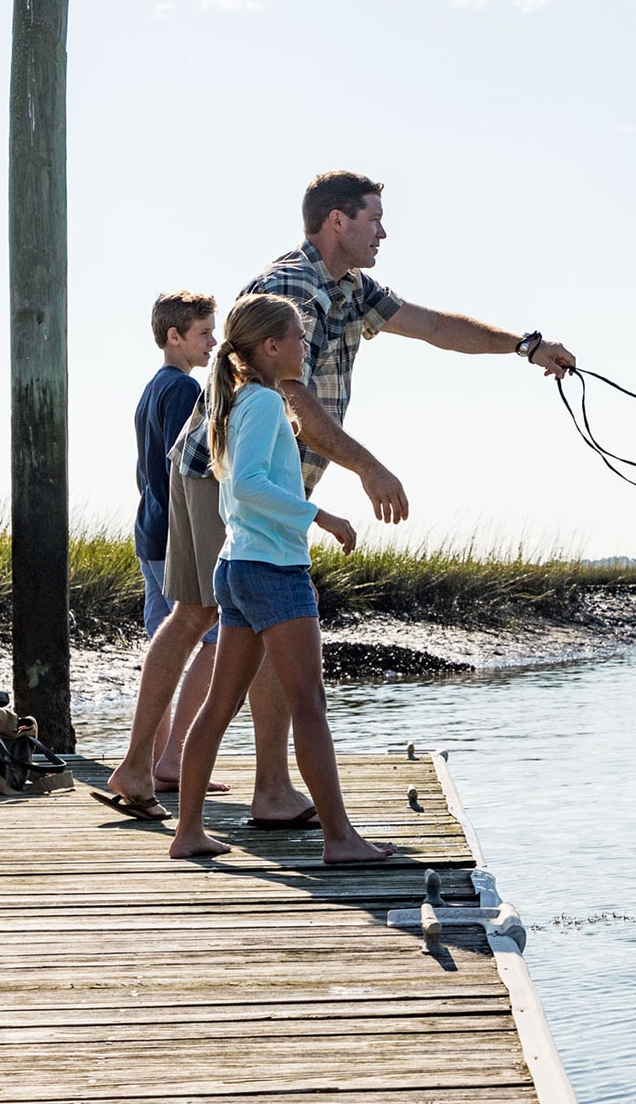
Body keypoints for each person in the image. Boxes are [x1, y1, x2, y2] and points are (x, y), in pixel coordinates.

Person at [166, 170, 576, 828]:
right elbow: (290, 398)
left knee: (215, 625)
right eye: (373, 219)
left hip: (268, 489)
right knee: (206, 622)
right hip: (222, 477)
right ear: (336, 222)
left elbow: (436, 326)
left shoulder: (351, 290)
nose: (383, 232)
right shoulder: (292, 288)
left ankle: (221, 786)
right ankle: (195, 781)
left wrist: (524, 347)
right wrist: (367, 470)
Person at [168, 293, 391, 863]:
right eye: (296, 337)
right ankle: (340, 840)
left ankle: (188, 833)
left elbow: (235, 494)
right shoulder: (264, 402)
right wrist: (320, 515)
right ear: (271, 347)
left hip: (238, 567)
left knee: (220, 702)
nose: (304, 346)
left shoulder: (239, 400)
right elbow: (245, 486)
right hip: (271, 570)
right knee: (309, 703)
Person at [95, 292, 228, 820]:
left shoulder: (152, 388)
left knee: (166, 640)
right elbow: (185, 473)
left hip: (149, 531)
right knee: (214, 639)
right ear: (174, 336)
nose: (213, 342)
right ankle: (170, 760)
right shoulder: (183, 389)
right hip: (176, 535)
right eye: (203, 333)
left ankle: (151, 761)